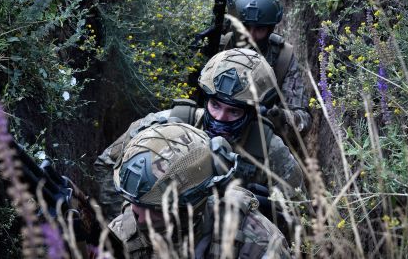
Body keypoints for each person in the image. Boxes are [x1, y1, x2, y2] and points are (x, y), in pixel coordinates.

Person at [95, 48, 306, 221]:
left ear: (252, 111)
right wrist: (130, 218)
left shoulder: (268, 148)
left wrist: (267, 210)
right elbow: (106, 165)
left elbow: (304, 216)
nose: (220, 117)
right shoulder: (166, 124)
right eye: (215, 105)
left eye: (234, 111)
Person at [107, 122, 292, 258]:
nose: (137, 214)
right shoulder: (122, 233)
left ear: (193, 203)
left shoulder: (257, 242)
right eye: (133, 201)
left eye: (154, 207)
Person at [222, 0, 312, 141]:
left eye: (260, 29)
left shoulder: (283, 57)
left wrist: (276, 115)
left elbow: (303, 121)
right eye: (244, 27)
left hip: (259, 138)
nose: (250, 36)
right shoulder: (220, 47)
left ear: (270, 29)